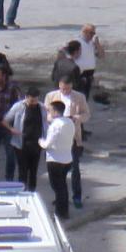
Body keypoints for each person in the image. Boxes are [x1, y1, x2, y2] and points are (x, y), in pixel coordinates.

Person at [44, 76, 90, 208]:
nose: (65, 91)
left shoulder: (79, 97)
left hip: (73, 137)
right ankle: (60, 195)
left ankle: (77, 196)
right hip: (56, 138)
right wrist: (53, 119)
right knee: (56, 170)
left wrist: (76, 118)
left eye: (68, 89)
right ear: (59, 85)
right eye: (63, 89)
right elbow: (46, 113)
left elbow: (86, 114)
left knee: (74, 168)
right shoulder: (51, 96)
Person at [3, 88, 45, 191]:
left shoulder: (42, 107)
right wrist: (12, 129)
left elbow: (46, 122)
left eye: (35, 101)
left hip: (37, 143)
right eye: (31, 101)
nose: (33, 103)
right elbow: (5, 120)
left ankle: (32, 191)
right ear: (26, 98)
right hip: (21, 143)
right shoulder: (18, 106)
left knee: (33, 170)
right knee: (23, 170)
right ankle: (22, 191)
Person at [40, 101, 75, 219]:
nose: (48, 113)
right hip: (67, 158)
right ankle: (64, 211)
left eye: (49, 110)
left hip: (55, 160)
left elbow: (47, 144)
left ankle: (60, 213)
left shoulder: (55, 125)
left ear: (55, 111)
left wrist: (40, 141)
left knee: (57, 187)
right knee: (63, 186)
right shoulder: (69, 122)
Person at [74, 24, 103, 98]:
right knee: (79, 94)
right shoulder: (77, 42)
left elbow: (101, 55)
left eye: (94, 33)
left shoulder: (92, 43)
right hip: (79, 73)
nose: (93, 35)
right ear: (84, 32)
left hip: (89, 73)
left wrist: (97, 44)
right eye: (91, 33)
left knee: (85, 95)